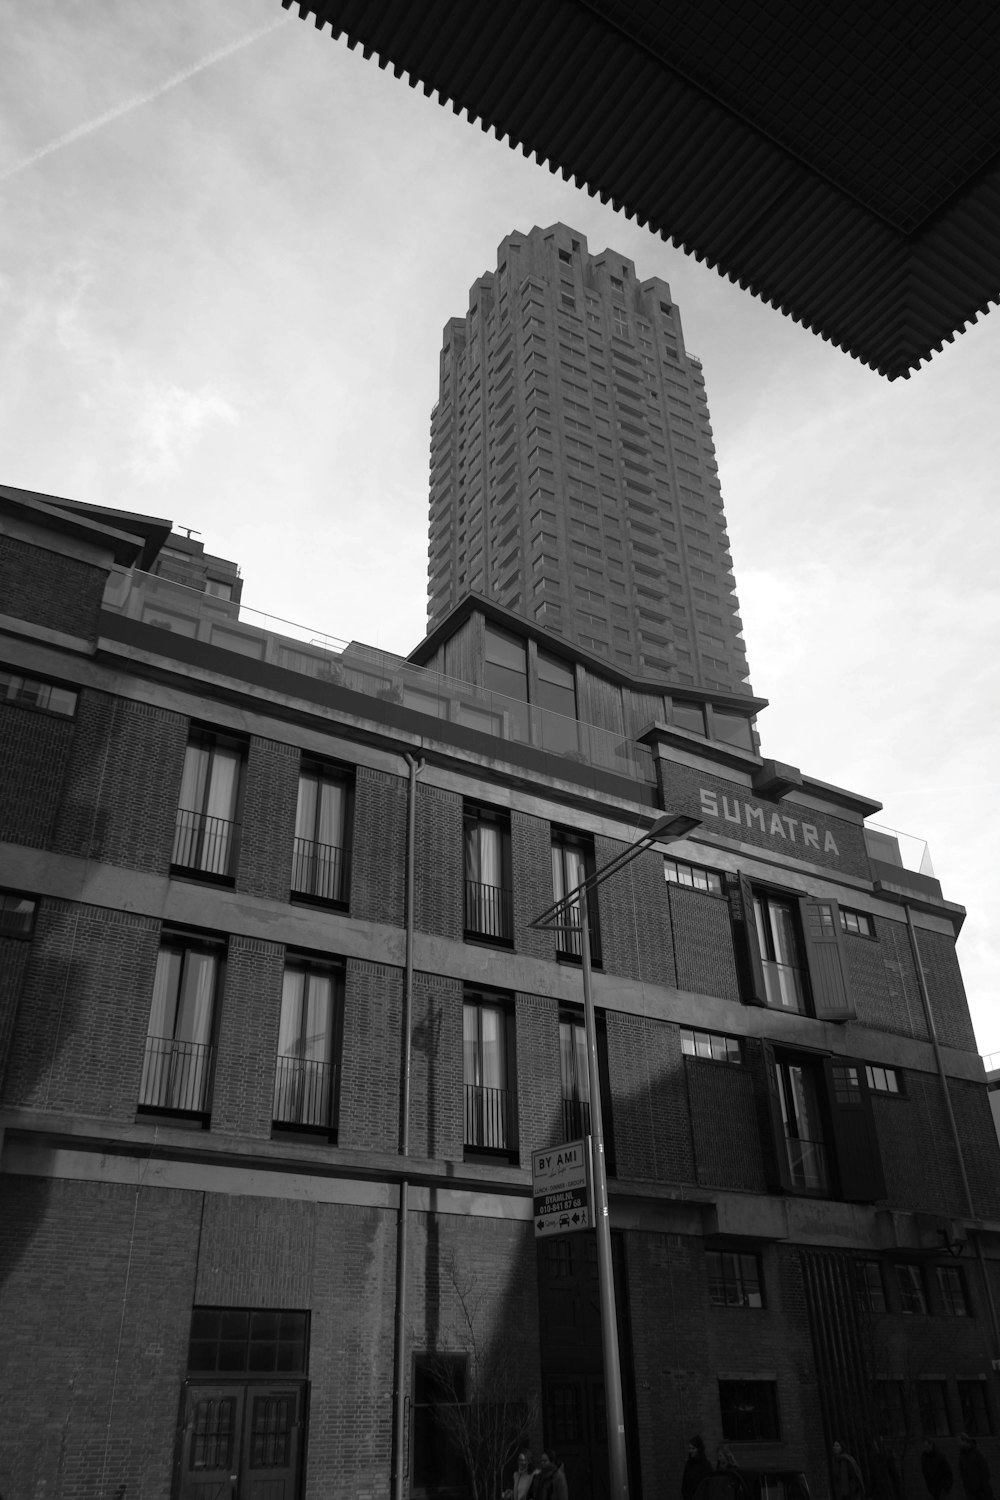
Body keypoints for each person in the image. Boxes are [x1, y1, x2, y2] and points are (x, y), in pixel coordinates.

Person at [959, 1433, 994, 1500]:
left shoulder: (976, 1453)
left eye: (960, 1442)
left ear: (965, 1441)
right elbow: (962, 1472)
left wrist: (983, 1486)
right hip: (971, 1492)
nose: (959, 1444)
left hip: (982, 1490)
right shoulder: (962, 1456)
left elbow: (985, 1470)